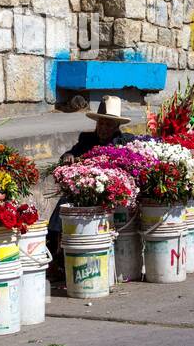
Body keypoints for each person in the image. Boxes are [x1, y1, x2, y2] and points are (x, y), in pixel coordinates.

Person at [47, 96, 140, 281]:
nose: (103, 128)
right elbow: (72, 152)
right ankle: (55, 254)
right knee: (65, 203)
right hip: (86, 189)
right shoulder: (87, 139)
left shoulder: (124, 142)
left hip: (110, 191)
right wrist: (69, 156)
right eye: (101, 124)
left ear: (116, 126)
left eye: (108, 125)